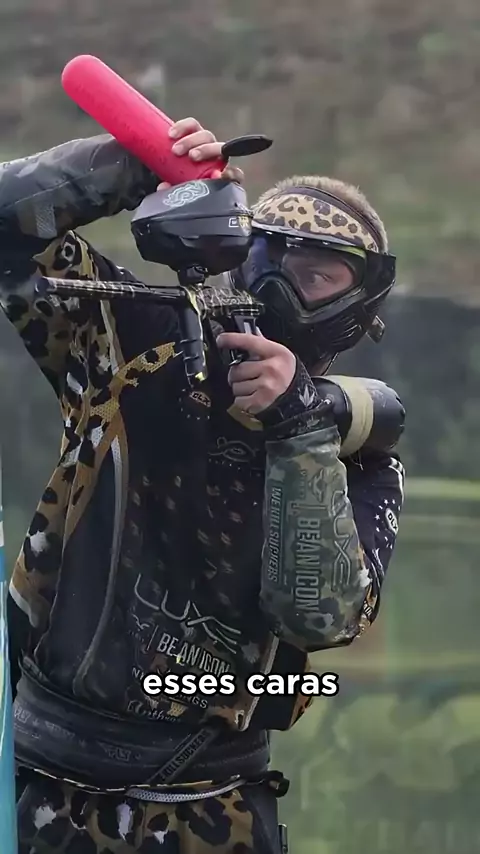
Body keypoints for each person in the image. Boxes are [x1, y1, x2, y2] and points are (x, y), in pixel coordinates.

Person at [0, 117, 406, 853]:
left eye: (317, 275)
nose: (279, 287)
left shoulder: (360, 459)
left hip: (213, 809)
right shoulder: (137, 345)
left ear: (360, 307)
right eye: (266, 257)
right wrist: (135, 163)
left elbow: (317, 618)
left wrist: (298, 427)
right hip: (43, 784)